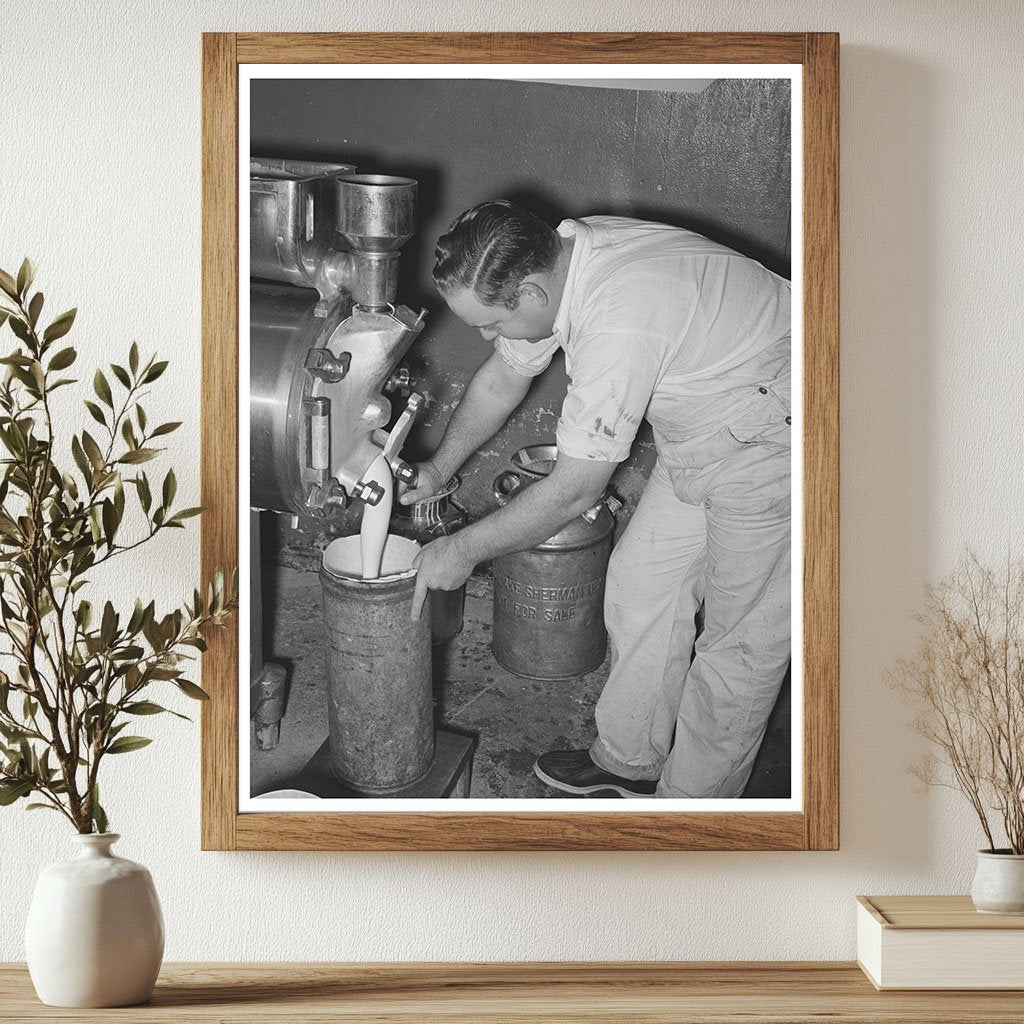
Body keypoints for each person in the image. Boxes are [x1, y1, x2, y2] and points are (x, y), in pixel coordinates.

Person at [402, 200, 791, 799]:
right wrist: (437, 470)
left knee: (738, 651)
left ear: (531, 294)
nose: (485, 336)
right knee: (639, 589)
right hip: (712, 423)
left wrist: (461, 551)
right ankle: (629, 760)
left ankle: (689, 819)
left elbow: (575, 491)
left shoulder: (618, 320)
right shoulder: (562, 255)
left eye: (490, 323)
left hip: (784, 436)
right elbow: (504, 377)